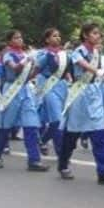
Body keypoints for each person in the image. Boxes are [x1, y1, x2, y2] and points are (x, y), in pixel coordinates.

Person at [57, 23, 104, 183]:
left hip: (94, 94)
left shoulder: (99, 54)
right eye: (95, 33)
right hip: (79, 96)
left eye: (99, 33)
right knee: (71, 134)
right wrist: (98, 71)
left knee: (100, 134)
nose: (98, 36)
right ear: (85, 35)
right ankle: (63, 164)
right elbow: (83, 65)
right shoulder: (78, 52)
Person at [0, 30, 49, 171]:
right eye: (16, 38)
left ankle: (34, 160)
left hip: (25, 90)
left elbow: (30, 75)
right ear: (9, 41)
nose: (20, 40)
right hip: (11, 90)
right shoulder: (7, 55)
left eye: (21, 37)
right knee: (5, 127)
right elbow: (15, 69)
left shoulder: (25, 54)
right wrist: (26, 60)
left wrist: (35, 66)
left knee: (31, 126)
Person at [35, 28, 70, 158]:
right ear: (47, 39)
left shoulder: (63, 54)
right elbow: (37, 69)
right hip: (47, 87)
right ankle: (42, 140)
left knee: (59, 123)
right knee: (56, 120)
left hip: (61, 87)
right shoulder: (41, 53)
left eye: (59, 36)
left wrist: (69, 78)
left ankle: (60, 153)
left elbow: (66, 70)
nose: (58, 38)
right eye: (54, 36)